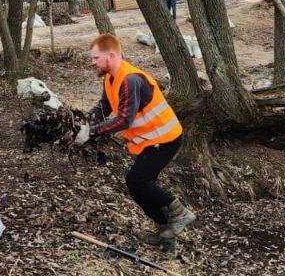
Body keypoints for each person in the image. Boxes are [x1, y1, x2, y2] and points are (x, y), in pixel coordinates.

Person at [75, 33, 195, 248]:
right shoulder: (111, 78)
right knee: (137, 186)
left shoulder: (131, 79)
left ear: (110, 55)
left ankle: (180, 213)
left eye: (95, 58)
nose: (92, 62)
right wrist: (83, 119)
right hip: (151, 140)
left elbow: (124, 120)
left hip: (166, 139)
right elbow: (105, 106)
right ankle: (166, 236)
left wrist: (91, 131)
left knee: (138, 181)